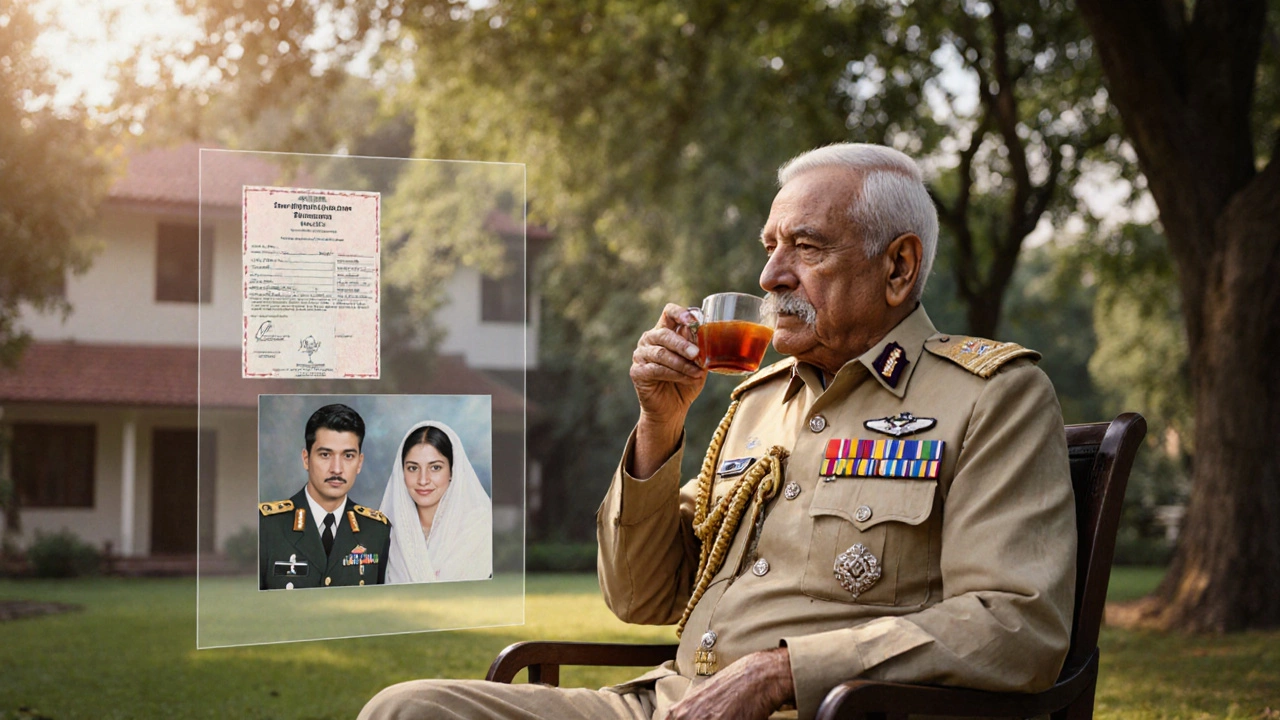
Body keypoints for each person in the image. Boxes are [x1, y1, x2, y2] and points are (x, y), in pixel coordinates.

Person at [359, 143, 1076, 720]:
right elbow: (640, 598)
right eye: (770, 245)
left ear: (898, 266)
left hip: (826, 709)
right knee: (409, 708)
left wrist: (781, 674)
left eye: (805, 247)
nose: (770, 275)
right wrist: (659, 426)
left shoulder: (991, 398)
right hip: (669, 703)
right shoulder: (757, 402)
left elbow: (1016, 627)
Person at [259, 403, 392, 590]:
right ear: (306, 459)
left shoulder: (376, 531)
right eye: (325, 454)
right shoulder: (267, 527)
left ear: (359, 463)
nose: (336, 469)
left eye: (348, 456)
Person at [380, 421, 493, 583]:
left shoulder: (480, 528)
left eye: (435, 468)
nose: (423, 480)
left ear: (452, 471)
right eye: (413, 468)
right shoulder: (388, 533)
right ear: (401, 472)